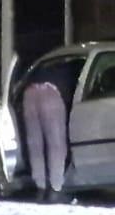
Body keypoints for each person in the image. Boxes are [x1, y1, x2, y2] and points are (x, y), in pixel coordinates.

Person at [20, 57, 81, 203]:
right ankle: (56, 188)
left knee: (35, 144)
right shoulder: (72, 69)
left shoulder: (43, 63)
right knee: (56, 144)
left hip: (29, 92)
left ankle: (40, 187)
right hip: (51, 93)